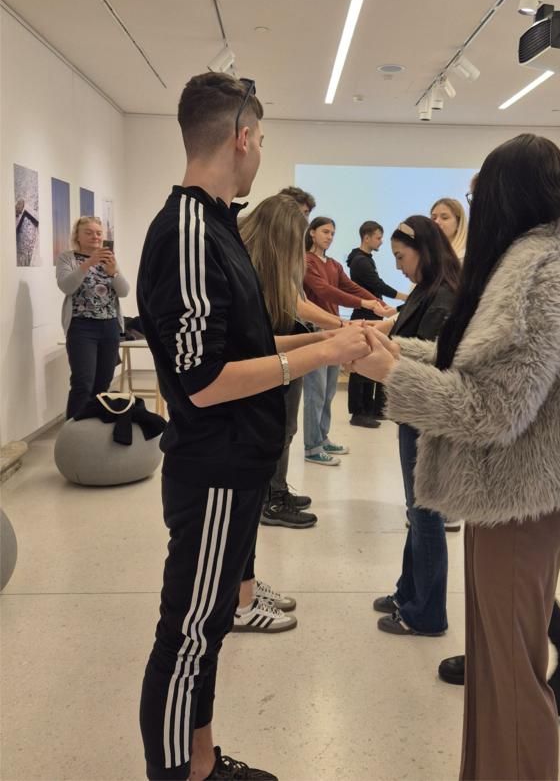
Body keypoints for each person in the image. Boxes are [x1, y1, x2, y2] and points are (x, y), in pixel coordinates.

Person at [136, 72, 370, 781]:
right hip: (214, 468)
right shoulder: (186, 231)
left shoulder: (217, 224)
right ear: (241, 138)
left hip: (236, 466)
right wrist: (320, 354)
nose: (261, 151)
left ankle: (202, 759)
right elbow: (204, 381)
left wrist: (325, 342)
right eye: (261, 138)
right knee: (188, 636)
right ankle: (181, 772)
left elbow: (245, 344)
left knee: (208, 629)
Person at [350, 134, 560, 781]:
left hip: (520, 499)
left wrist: (391, 373)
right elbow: (466, 363)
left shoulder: (542, 278)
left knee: (512, 678)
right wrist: (394, 354)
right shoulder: (519, 268)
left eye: (477, 195)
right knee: (494, 669)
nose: (471, 208)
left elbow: (493, 409)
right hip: (500, 498)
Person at [370, 216, 460, 636]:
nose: (398, 266)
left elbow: (427, 361)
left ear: (423, 251)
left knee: (425, 514)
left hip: (424, 415)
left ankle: (427, 613)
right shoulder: (428, 289)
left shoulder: (441, 296)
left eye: (401, 257)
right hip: (414, 412)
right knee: (418, 510)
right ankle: (409, 592)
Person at [239, 195, 317, 529]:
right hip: (273, 366)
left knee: (285, 428)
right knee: (277, 430)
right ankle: (271, 499)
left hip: (283, 361)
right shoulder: (252, 276)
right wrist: (325, 340)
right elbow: (260, 341)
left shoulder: (268, 273)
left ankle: (277, 490)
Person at [303, 216, 394, 466]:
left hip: (336, 330)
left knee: (329, 390)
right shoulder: (306, 261)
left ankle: (322, 438)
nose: (329, 237)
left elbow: (350, 287)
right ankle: (311, 447)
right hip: (316, 332)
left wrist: (378, 303)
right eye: (325, 232)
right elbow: (325, 291)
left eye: (332, 233)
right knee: (315, 391)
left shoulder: (333, 264)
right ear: (312, 233)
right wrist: (365, 303)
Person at [56, 216, 129, 418]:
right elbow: (66, 286)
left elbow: (124, 292)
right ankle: (73, 430)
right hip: (81, 327)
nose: (95, 236)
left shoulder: (109, 258)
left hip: (110, 326)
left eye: (98, 233)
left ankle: (93, 429)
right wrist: (88, 263)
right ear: (77, 236)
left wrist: (113, 273)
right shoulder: (67, 258)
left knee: (103, 383)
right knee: (82, 383)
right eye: (88, 232)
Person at [346, 221, 407, 428]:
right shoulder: (360, 261)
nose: (381, 241)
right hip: (364, 314)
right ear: (367, 238)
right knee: (361, 364)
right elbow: (377, 285)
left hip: (373, 313)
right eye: (378, 237)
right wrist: (404, 297)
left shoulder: (365, 259)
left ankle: (370, 408)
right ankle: (358, 412)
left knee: (371, 359)